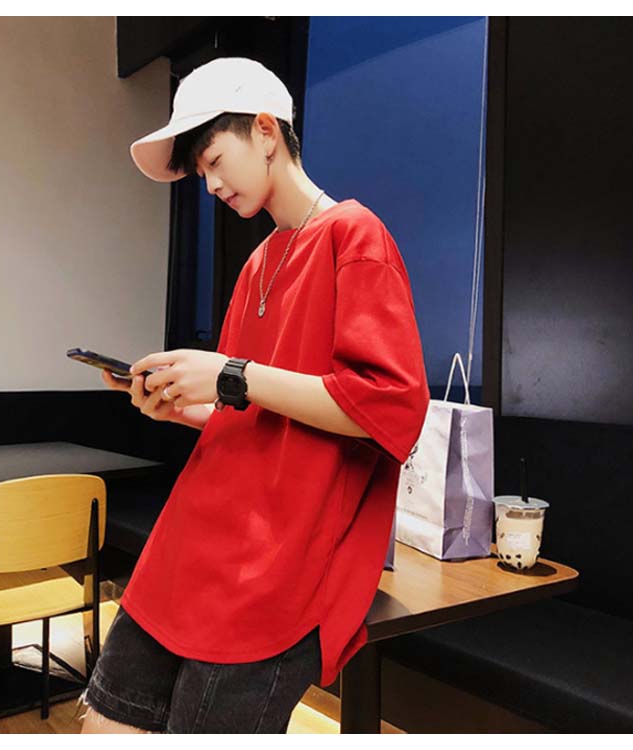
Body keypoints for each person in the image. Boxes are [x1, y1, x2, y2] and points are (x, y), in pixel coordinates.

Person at [78, 56, 430, 734]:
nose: (210, 185)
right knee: (104, 723)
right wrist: (179, 405)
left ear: (266, 131)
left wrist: (230, 374)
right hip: (198, 538)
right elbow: (250, 412)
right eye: (201, 172)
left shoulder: (355, 235)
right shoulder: (257, 263)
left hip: (279, 561)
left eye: (213, 161)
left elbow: (388, 407)